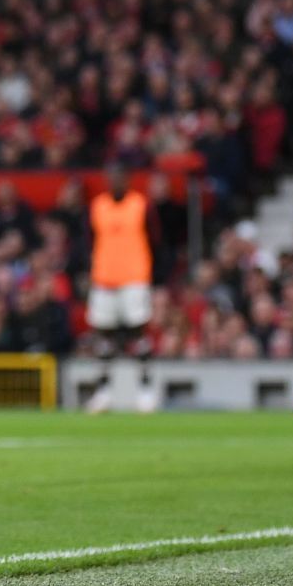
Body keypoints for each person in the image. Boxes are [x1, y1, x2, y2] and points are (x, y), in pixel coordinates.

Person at [84, 163, 163, 413]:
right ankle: (103, 392)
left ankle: (146, 391)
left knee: (138, 335)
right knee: (103, 337)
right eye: (110, 177)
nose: (114, 182)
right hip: (104, 279)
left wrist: (156, 276)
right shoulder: (98, 206)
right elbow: (89, 240)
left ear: (128, 180)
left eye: (119, 177)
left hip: (134, 278)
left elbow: (156, 240)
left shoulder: (140, 205)